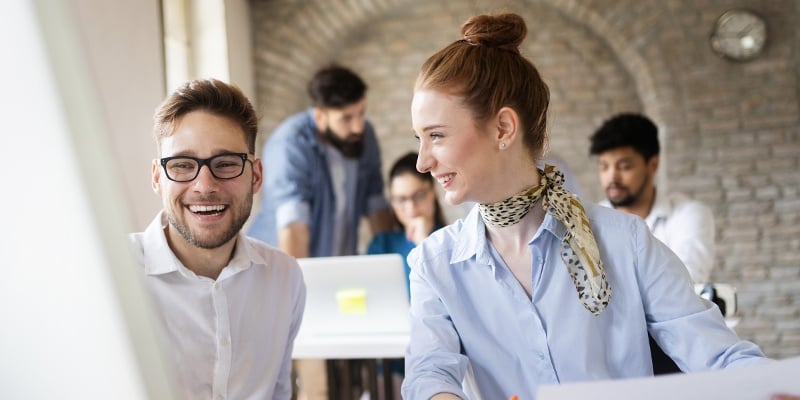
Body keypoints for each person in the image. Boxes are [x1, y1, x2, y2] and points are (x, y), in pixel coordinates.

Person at [401, 12, 780, 400]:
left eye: (437, 136)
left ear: (503, 129)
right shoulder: (433, 263)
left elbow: (718, 356)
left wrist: (779, 387)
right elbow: (429, 374)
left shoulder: (626, 242)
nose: (422, 161)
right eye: (420, 138)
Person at [129, 78, 305, 399]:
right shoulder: (115, 274)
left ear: (256, 176)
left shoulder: (285, 278)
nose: (204, 185)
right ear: (157, 178)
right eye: (182, 164)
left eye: (225, 164)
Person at [247, 65, 393, 399]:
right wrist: (301, 298)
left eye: (361, 114)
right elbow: (294, 231)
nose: (358, 126)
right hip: (288, 274)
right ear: (319, 115)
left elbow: (376, 207)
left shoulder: (364, 136)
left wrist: (393, 268)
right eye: (346, 118)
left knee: (353, 375)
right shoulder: (289, 144)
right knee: (317, 383)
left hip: (340, 270)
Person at [589, 113, 715, 284]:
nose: (612, 178)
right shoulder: (591, 221)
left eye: (624, 167)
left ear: (653, 165)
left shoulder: (687, 215)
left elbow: (684, 283)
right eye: (604, 167)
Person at [367, 151, 447, 298]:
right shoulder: (381, 244)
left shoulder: (452, 240)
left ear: (433, 192)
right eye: (401, 200)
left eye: (419, 195)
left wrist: (423, 243)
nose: (411, 207)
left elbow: (450, 296)